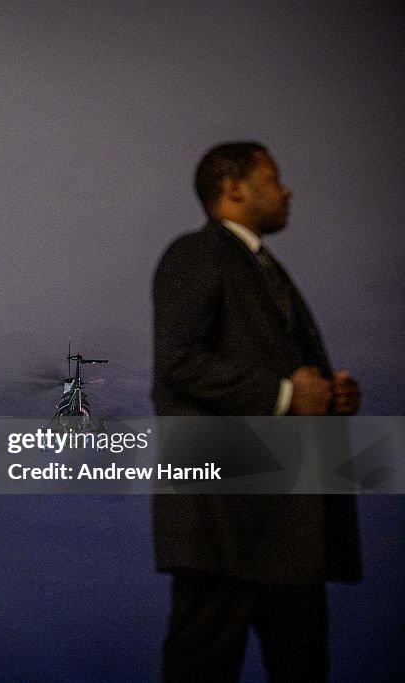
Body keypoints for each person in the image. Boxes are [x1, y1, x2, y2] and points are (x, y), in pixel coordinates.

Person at [151, 142, 361, 682]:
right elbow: (179, 362)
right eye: (274, 176)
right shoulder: (197, 254)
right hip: (226, 523)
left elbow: (276, 369)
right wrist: (288, 396)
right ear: (234, 188)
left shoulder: (264, 267)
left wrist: (327, 397)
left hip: (288, 526)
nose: (287, 189)